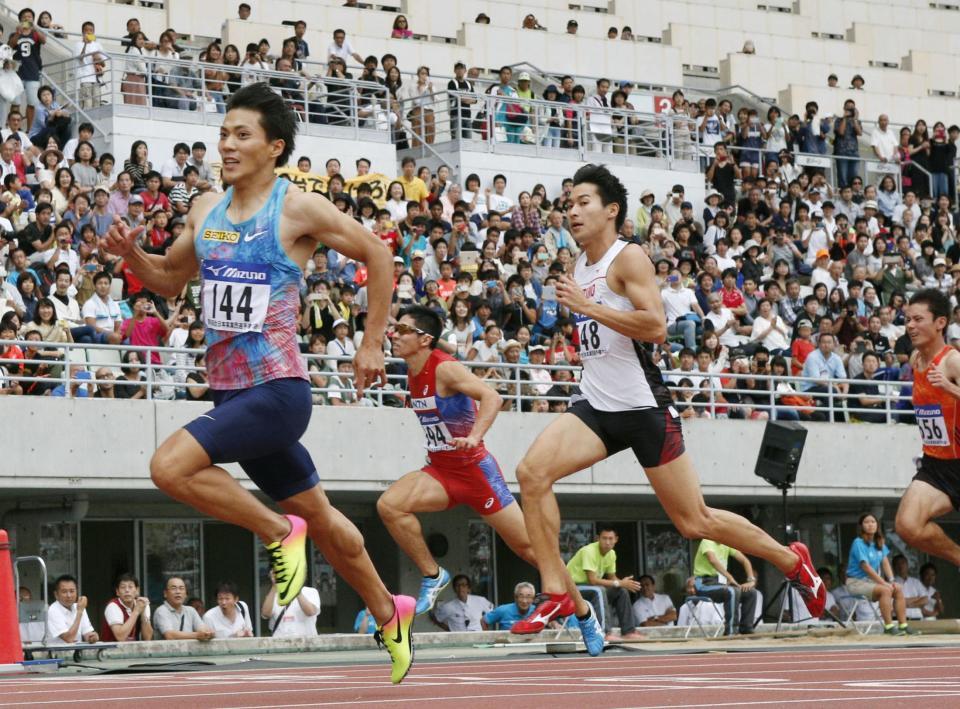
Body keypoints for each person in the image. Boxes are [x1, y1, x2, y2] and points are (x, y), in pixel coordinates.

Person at [99, 82, 414, 683]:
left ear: (274, 147)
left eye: (242, 135)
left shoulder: (294, 207)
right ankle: (388, 610)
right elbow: (169, 279)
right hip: (229, 393)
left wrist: (372, 342)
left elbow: (378, 253)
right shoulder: (206, 210)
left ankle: (276, 531)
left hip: (277, 390)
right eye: (223, 134)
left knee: (169, 467)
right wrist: (131, 257)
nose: (227, 145)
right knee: (323, 519)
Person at [509, 165, 825, 650]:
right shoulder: (578, 265)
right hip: (597, 403)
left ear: (612, 210)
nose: (572, 210)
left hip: (642, 407)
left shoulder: (628, 257)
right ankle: (556, 590)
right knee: (531, 475)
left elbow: (655, 327)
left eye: (583, 202)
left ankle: (790, 560)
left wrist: (587, 308)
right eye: (568, 203)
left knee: (693, 521)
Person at [378, 305, 536, 614]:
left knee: (527, 547)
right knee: (390, 506)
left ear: (424, 339)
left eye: (403, 330)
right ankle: (433, 575)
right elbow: (438, 408)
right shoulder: (411, 370)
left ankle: (574, 593)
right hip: (441, 471)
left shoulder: (444, 367)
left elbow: (492, 397)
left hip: (475, 472)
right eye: (395, 328)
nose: (394, 334)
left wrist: (475, 436)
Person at [895, 289, 960, 581]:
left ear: (940, 322)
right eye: (907, 319)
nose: (910, 326)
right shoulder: (915, 359)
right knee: (908, 525)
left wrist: (951, 389)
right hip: (937, 464)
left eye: (918, 319)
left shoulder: (953, 362)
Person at [566, 527, 644, 642]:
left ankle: (628, 631)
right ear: (598, 538)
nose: (607, 542)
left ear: (616, 539)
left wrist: (624, 584)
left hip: (589, 589)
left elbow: (612, 578)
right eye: (604, 538)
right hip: (572, 589)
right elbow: (592, 580)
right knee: (599, 590)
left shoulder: (611, 554)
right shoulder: (589, 551)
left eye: (610, 538)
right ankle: (604, 632)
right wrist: (620, 582)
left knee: (621, 591)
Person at [845, 512, 914, 635]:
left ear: (877, 525)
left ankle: (903, 625)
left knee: (897, 589)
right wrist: (884, 583)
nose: (870, 525)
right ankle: (888, 627)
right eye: (866, 522)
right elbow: (865, 567)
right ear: (861, 526)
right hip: (855, 583)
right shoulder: (858, 542)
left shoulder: (879, 543)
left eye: (873, 522)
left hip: (871, 583)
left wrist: (892, 581)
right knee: (885, 590)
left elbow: (885, 562)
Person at [692, 539, 759, 635]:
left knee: (751, 592)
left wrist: (751, 580)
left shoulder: (726, 544)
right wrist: (729, 577)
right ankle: (731, 631)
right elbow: (712, 560)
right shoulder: (707, 541)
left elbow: (745, 560)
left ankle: (746, 628)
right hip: (704, 583)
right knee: (732, 591)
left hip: (721, 583)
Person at [262, 569, 320, 637]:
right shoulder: (273, 594)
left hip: (306, 644)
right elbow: (265, 614)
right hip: (279, 644)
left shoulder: (310, 592)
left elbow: (310, 612)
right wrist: (275, 586)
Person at [100, 573, 153, 642]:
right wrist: (136, 611)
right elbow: (120, 637)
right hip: (110, 650)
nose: (127, 590)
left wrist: (143, 613)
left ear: (137, 590)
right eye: (123, 587)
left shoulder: (141, 603)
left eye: (130, 587)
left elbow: (147, 638)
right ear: (117, 592)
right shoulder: (113, 606)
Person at [46, 574, 99, 644]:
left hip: (77, 652)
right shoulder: (52, 610)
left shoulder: (79, 606)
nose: (69, 595)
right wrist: (79, 612)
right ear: (56, 595)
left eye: (72, 591)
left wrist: (93, 637)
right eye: (64, 592)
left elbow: (87, 634)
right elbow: (69, 639)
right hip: (57, 653)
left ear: (77, 592)